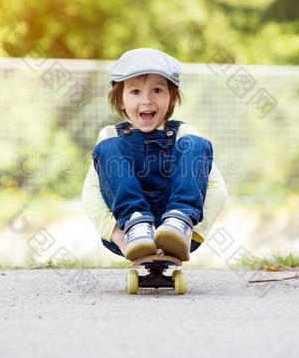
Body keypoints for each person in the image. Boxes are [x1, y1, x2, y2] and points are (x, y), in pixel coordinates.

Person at [82, 48, 227, 261]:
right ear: (121, 100)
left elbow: (217, 188)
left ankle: (178, 222)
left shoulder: (184, 134)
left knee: (195, 144)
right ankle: (137, 223)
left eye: (157, 90)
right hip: (127, 230)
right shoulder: (110, 135)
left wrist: (193, 234)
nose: (147, 101)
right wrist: (118, 236)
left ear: (172, 97)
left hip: (181, 227)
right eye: (135, 92)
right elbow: (91, 193)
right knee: (108, 148)